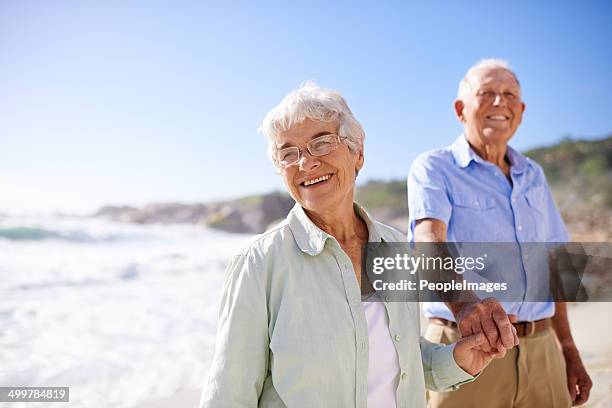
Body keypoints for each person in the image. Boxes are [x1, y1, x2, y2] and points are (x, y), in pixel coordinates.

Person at [201, 82, 518, 407]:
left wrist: (457, 362)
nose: (305, 163)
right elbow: (229, 392)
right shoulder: (258, 263)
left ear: (357, 153)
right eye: (287, 153)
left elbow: (403, 359)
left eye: (321, 143)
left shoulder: (394, 248)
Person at [408, 58, 592, 407]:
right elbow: (429, 242)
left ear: (520, 110)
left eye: (509, 95)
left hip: (542, 348)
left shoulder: (533, 174)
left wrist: (568, 349)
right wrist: (465, 307)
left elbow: (556, 262)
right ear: (461, 109)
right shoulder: (434, 167)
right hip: (465, 347)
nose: (499, 103)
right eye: (487, 93)